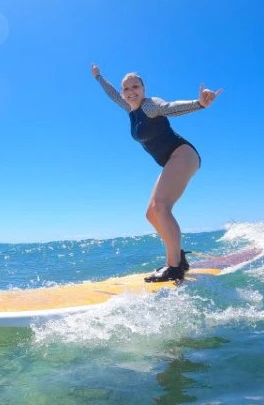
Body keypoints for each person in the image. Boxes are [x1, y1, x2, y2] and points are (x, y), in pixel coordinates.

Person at [91, 64, 222, 282]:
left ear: (143, 88)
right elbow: (112, 94)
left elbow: (171, 107)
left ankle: (174, 267)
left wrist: (199, 104)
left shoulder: (150, 105)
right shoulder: (129, 109)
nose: (131, 91)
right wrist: (98, 77)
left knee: (162, 207)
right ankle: (177, 256)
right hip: (170, 161)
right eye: (127, 88)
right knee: (151, 214)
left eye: (135, 87)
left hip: (182, 154)